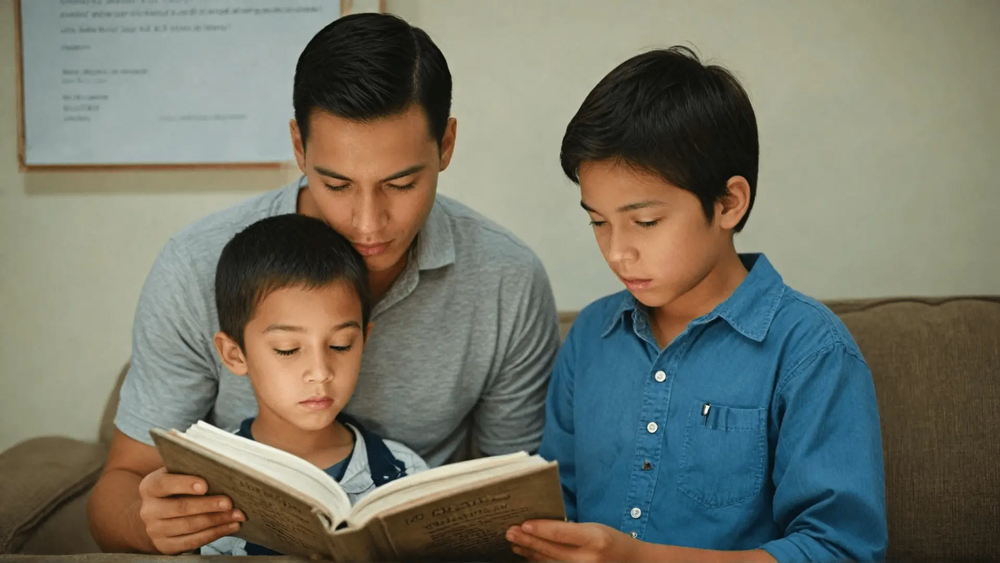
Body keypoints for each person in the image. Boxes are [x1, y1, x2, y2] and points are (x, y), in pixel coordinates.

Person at [87, 13, 560, 555]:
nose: (368, 223)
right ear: (299, 146)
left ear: (446, 144)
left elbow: (514, 499)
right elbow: (120, 485)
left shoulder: (507, 281)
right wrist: (147, 522)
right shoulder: (196, 268)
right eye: (336, 184)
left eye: (401, 184)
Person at [506, 47, 887, 563]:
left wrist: (638, 560)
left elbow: (840, 550)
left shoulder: (811, 351)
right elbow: (557, 510)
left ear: (729, 203)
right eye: (598, 222)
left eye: (645, 222)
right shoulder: (590, 337)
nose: (617, 252)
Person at [200, 214, 427, 556]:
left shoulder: (404, 473)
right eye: (288, 349)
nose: (320, 373)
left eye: (340, 345)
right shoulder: (208, 480)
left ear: (363, 341)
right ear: (235, 354)